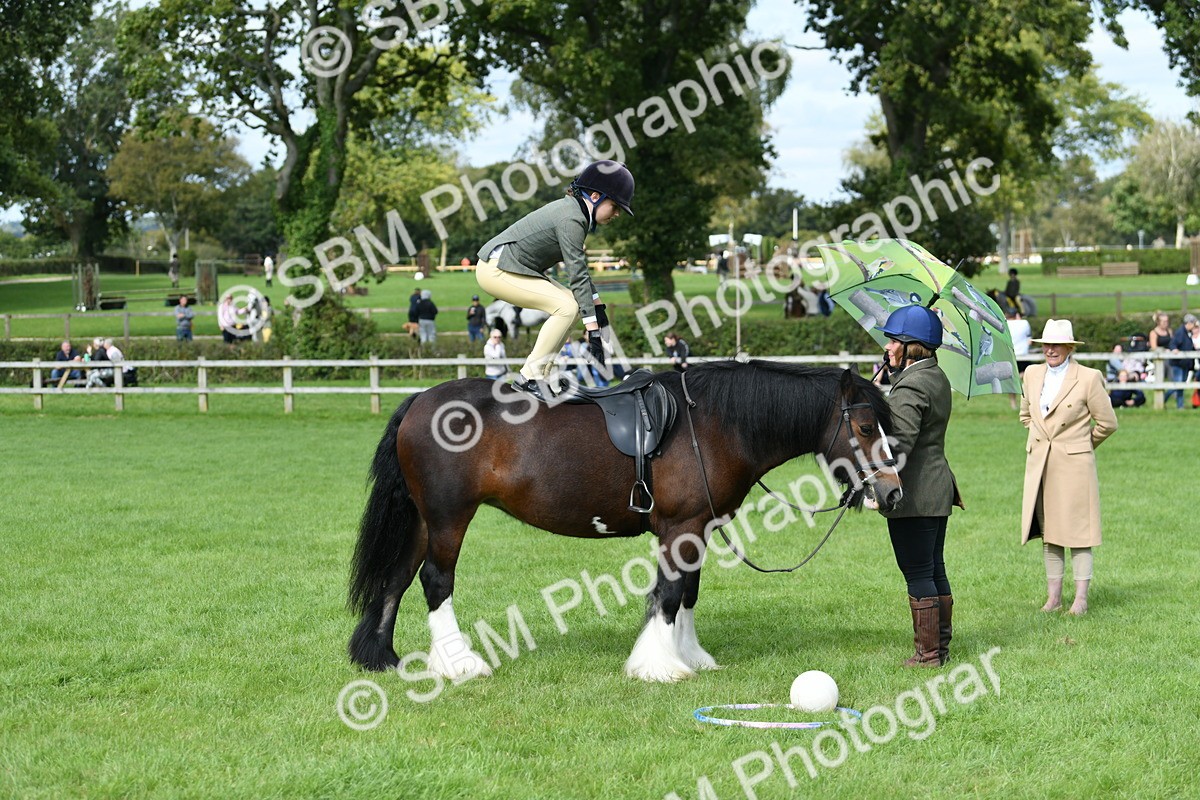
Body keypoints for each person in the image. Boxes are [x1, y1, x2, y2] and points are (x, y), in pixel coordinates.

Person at [474, 160, 633, 400]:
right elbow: (576, 275)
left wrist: (597, 307)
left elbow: (579, 269)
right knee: (567, 307)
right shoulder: (571, 220)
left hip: (512, 268)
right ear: (595, 196)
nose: (618, 213)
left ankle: (542, 375)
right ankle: (530, 377)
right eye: (615, 205)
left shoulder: (575, 214)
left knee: (572, 305)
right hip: (496, 270)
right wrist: (593, 332)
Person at [876, 305, 964, 667]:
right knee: (933, 568)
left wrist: (877, 489)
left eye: (894, 340)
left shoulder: (911, 385)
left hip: (916, 492)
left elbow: (898, 446)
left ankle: (928, 655)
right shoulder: (934, 376)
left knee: (917, 571)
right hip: (938, 487)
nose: (888, 347)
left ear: (912, 346)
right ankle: (940, 649)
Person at [1020, 319, 1118, 616]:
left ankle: (1081, 599)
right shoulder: (1032, 375)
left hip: (1074, 465)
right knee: (1050, 532)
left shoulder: (1088, 378)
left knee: (1078, 531)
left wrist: (1081, 444)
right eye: (1046, 345)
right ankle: (1053, 598)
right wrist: (1039, 436)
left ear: (1070, 347)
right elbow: (1026, 415)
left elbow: (1108, 423)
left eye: (1056, 344)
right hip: (1041, 464)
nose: (1050, 350)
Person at [1165, 313, 1198, 409]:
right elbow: (1173, 343)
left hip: (1184, 364)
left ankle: (1180, 406)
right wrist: (1174, 349)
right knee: (1178, 384)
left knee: (1181, 385)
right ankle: (1163, 399)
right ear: (1188, 323)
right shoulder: (1180, 332)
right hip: (1178, 363)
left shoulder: (1188, 333)